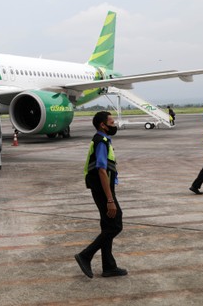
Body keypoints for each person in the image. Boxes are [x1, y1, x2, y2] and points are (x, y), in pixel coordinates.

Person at [75, 111, 128, 279]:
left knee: (108, 226)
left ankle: (109, 267)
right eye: (111, 122)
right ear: (103, 125)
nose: (114, 125)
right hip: (103, 190)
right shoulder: (101, 142)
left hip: (102, 189)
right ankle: (85, 255)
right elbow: (102, 170)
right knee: (115, 225)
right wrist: (110, 199)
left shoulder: (102, 140)